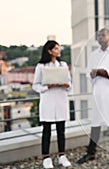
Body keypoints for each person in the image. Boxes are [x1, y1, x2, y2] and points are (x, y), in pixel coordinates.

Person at [77, 28, 109, 166]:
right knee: (95, 123)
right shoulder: (94, 55)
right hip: (98, 94)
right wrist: (94, 74)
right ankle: (91, 153)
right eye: (98, 35)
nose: (100, 36)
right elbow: (88, 71)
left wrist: (107, 74)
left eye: (103, 34)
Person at [32, 40, 72, 168]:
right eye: (55, 48)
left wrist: (66, 85)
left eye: (58, 48)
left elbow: (70, 84)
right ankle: (46, 158)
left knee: (61, 131)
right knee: (47, 131)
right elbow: (35, 86)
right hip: (48, 102)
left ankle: (62, 156)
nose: (58, 50)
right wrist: (47, 86)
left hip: (61, 100)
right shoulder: (41, 66)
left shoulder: (63, 65)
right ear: (49, 51)